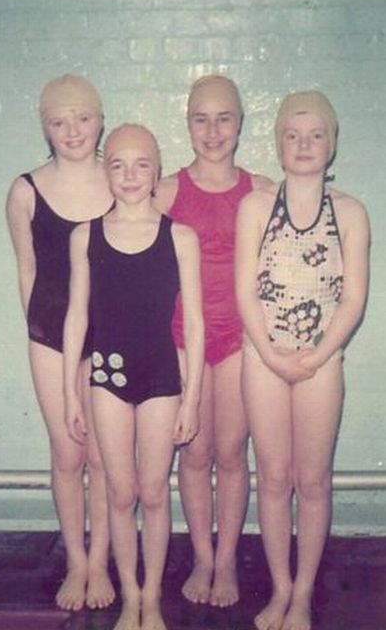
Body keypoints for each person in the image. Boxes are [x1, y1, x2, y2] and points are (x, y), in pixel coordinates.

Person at [235, 90, 370, 630]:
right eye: (293, 135)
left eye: (316, 135)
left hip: (322, 361)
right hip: (262, 358)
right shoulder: (255, 207)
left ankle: (304, 595)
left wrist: (317, 354)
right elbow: (244, 291)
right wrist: (272, 354)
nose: (304, 144)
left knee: (312, 482)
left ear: (331, 144)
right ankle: (280, 589)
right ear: (279, 144)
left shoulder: (351, 213)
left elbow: (353, 299)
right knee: (272, 478)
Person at [64, 123, 204, 630]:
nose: (129, 175)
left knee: (154, 492)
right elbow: (77, 316)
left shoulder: (180, 237)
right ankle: (129, 597)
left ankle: (152, 599)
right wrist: (70, 393)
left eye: (141, 164)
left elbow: (195, 323)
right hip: (107, 377)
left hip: (162, 377)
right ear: (106, 172)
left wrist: (192, 399)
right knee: (120, 494)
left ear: (156, 170)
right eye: (118, 165)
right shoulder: (86, 236)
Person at [154, 74, 273, 607]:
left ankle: (226, 562)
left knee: (230, 453)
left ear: (241, 124)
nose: (213, 130)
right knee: (195, 452)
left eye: (224, 118)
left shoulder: (262, 190)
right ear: (188, 124)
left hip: (241, 342)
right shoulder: (166, 192)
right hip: (184, 341)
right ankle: (202, 556)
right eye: (201, 119)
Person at [6, 74, 115, 611]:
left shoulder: (120, 179)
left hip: (112, 334)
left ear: (101, 120)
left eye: (83, 118)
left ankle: (101, 561)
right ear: (45, 128)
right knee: (68, 453)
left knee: (103, 454)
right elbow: (27, 272)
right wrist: (46, 335)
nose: (73, 130)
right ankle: (76, 559)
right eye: (59, 121)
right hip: (51, 334)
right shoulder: (25, 190)